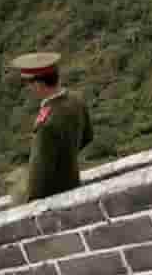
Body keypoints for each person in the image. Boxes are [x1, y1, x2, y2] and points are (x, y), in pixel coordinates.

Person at [8, 52, 93, 204]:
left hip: (54, 197)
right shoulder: (76, 99)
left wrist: (27, 204)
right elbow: (88, 136)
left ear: (38, 84)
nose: (28, 89)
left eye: (28, 84)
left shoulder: (46, 124)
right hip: (73, 181)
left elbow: (38, 178)